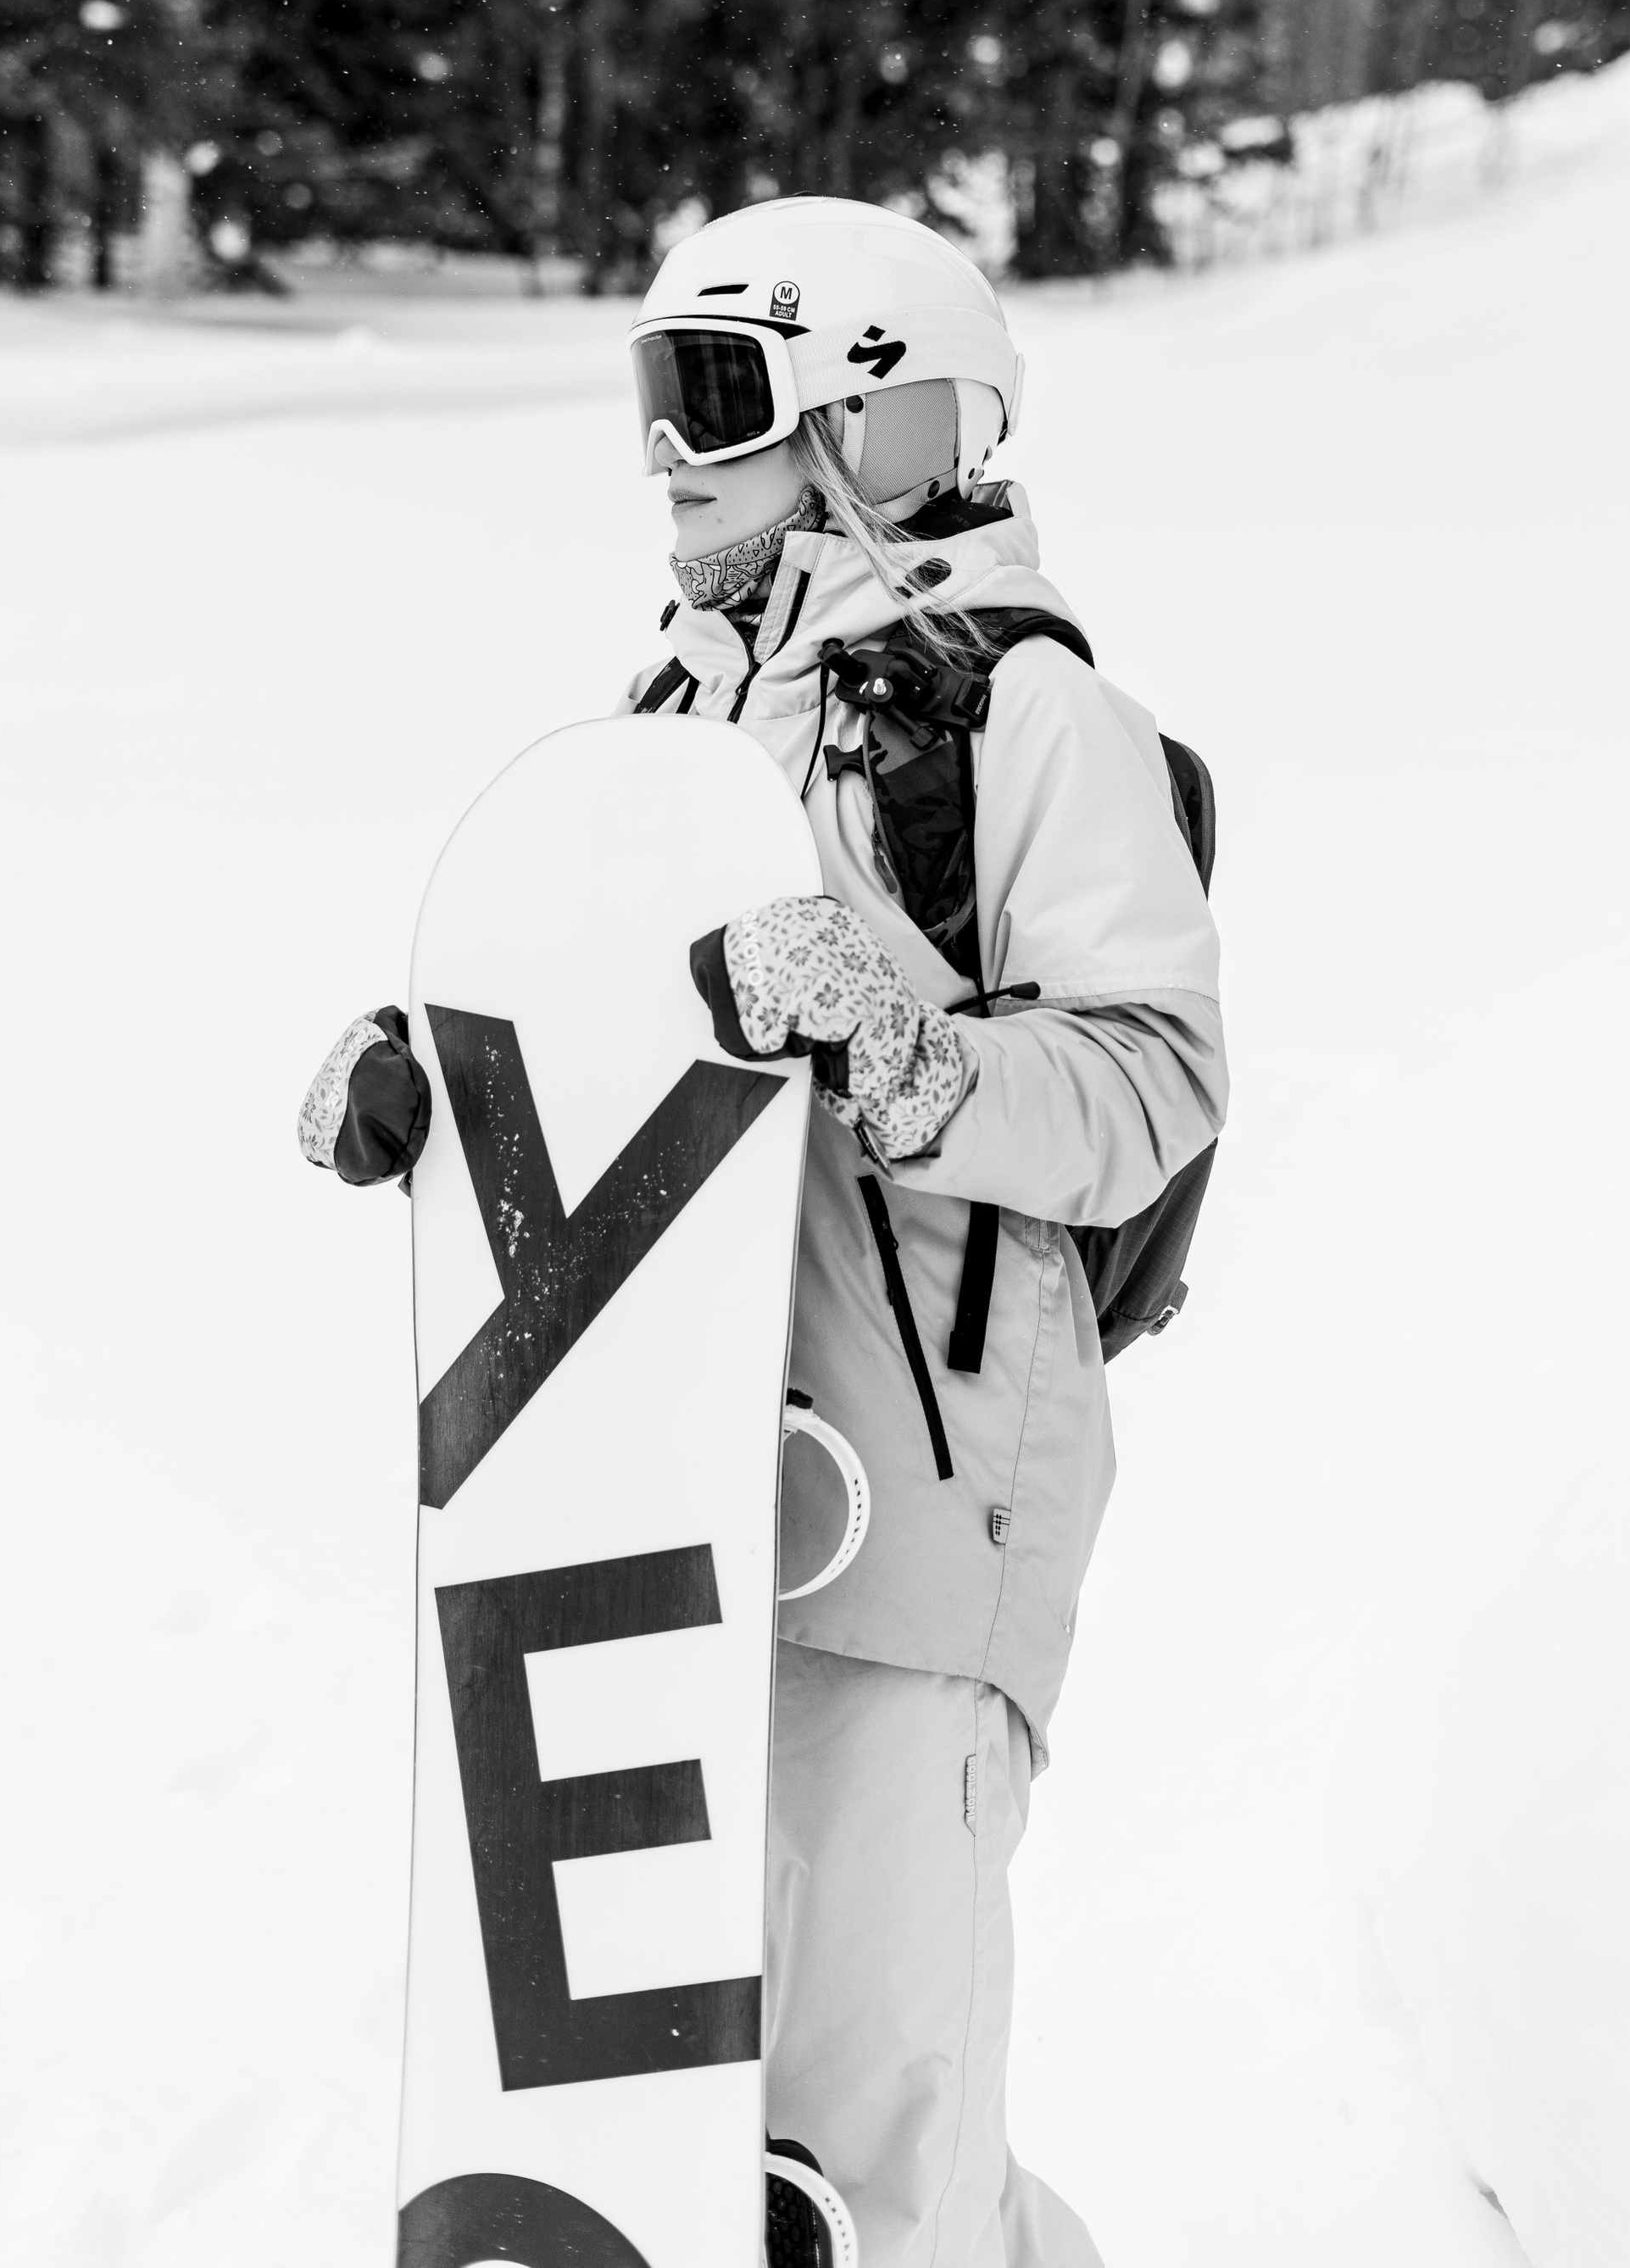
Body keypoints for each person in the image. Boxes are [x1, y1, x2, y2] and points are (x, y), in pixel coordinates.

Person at [300, 197, 1227, 2268]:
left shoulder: (1021, 719)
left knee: (880, 2105)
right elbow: (616, 1024)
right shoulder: (673, 713)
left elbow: (1155, 1074)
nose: (664, 448)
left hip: (919, 1486)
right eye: (648, 391)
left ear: (877, 418)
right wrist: (443, 1084)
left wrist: (907, 1049)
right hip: (659, 1488)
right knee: (692, 2137)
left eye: (712, 391)